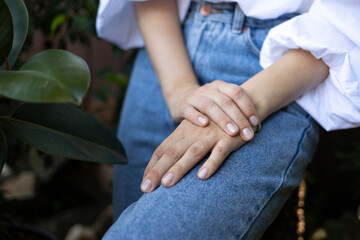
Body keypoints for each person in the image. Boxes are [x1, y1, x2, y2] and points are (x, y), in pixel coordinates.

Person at [96, 0, 360, 239]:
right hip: (165, 46)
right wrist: (179, 90)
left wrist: (240, 107)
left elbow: (348, 17)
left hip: (282, 63)